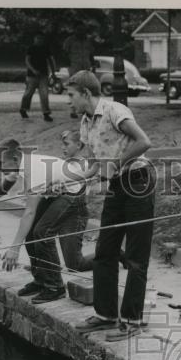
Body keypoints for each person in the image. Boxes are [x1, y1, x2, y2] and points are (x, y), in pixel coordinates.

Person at [68, 71, 154, 342]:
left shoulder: (114, 110)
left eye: (71, 96)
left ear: (85, 93)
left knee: (136, 257)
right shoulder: (85, 122)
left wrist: (115, 164)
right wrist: (68, 181)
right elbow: (95, 164)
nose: (68, 102)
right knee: (106, 250)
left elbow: (144, 142)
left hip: (139, 181)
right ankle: (105, 315)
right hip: (118, 185)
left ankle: (132, 320)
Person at [1, 130, 92, 303]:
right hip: (57, 194)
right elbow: (1, 190)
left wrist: (14, 248)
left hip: (73, 195)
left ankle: (55, 287)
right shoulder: (20, 164)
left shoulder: (31, 170)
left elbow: (29, 212)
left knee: (43, 233)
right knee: (31, 233)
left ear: (14, 159)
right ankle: (41, 279)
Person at [63, 23, 96, 118]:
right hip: (74, 68)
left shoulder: (88, 41)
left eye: (83, 30)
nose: (81, 32)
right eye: (79, 30)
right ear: (75, 30)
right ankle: (73, 111)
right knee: (74, 89)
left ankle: (86, 110)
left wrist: (93, 65)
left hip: (86, 68)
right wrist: (68, 65)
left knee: (86, 90)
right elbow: (64, 53)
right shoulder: (69, 41)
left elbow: (91, 54)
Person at [20, 32, 56, 121]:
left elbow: (51, 60)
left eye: (41, 39)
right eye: (37, 39)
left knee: (44, 94)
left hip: (43, 75)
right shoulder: (31, 48)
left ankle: (46, 113)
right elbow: (27, 61)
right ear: (34, 40)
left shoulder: (46, 48)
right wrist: (33, 70)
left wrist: (53, 72)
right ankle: (23, 109)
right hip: (32, 75)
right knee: (28, 93)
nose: (39, 40)